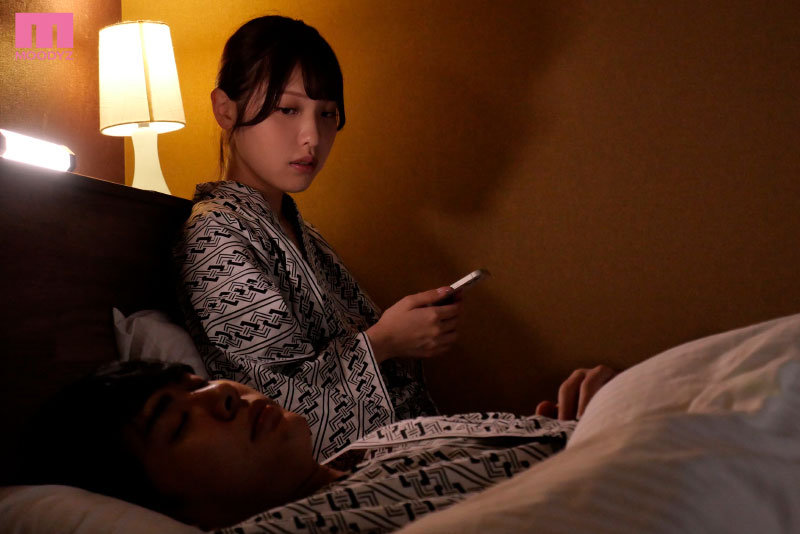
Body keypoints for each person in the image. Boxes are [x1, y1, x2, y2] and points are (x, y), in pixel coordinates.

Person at [174, 15, 462, 463]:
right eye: (288, 110)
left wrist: (407, 333)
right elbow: (273, 408)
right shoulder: (215, 236)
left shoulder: (304, 234)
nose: (312, 137)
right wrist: (385, 341)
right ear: (225, 109)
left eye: (326, 114)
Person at [17, 360, 616, 532]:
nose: (222, 393)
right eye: (176, 423)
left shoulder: (372, 447)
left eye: (200, 383)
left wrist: (600, 408)